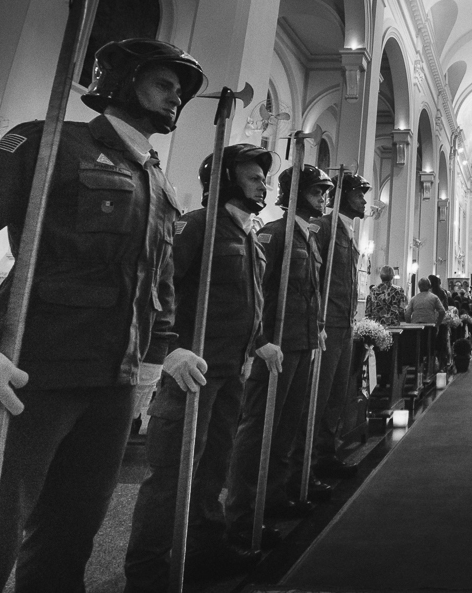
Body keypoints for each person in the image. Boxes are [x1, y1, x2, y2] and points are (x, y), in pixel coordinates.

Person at [0, 39, 204, 592]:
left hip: (112, 386)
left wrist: (155, 355)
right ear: (123, 80)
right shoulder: (52, 141)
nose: (175, 97)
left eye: (180, 91)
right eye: (163, 83)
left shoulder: (158, 180)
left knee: (67, 543)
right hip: (30, 374)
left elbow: (159, 281)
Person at [123, 143, 275, 591]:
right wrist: (169, 350)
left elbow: (249, 301)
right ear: (226, 179)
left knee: (212, 469)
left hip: (229, 370)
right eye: (254, 178)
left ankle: (204, 548)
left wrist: (257, 345)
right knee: (172, 475)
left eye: (264, 179)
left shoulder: (247, 234)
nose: (262, 186)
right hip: (192, 372)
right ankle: (148, 572)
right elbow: (157, 286)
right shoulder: (196, 226)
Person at [225, 165, 335, 549]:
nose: (324, 198)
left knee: (287, 427)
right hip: (276, 347)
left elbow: (310, 293)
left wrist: (316, 330)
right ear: (297, 193)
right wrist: (260, 341)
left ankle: (272, 497)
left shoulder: (308, 237)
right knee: (259, 430)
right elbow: (255, 291)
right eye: (317, 191)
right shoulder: (274, 235)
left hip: (302, 343)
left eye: (325, 192)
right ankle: (241, 514)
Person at [310, 172, 370, 480]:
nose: (364, 201)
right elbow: (312, 278)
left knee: (336, 395)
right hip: (327, 323)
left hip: (344, 323)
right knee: (319, 395)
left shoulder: (347, 231)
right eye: (358, 194)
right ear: (343, 195)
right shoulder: (324, 228)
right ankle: (306, 462)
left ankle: (325, 453)